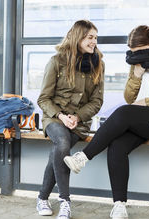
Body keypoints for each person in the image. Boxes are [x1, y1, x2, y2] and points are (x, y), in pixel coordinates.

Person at [64, 25, 149, 219]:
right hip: (148, 121)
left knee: (125, 113)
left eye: (139, 52)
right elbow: (128, 97)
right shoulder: (142, 62)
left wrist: (146, 102)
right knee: (117, 146)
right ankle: (119, 205)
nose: (136, 57)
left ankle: (83, 157)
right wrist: (136, 75)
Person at [36, 20, 104, 219]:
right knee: (62, 142)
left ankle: (42, 198)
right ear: (78, 37)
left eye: (95, 38)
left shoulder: (98, 63)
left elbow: (97, 101)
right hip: (55, 118)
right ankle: (65, 201)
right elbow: (44, 98)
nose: (94, 42)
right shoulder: (57, 61)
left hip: (79, 122)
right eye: (90, 37)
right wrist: (61, 116)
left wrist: (77, 117)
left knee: (59, 151)